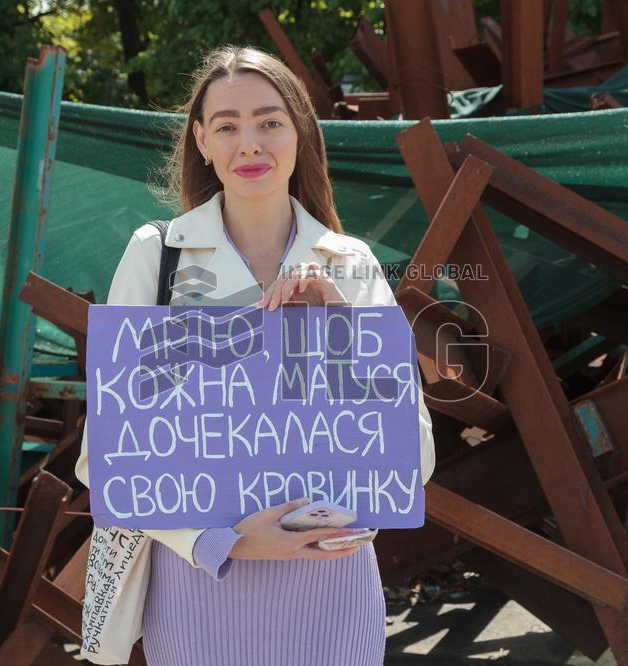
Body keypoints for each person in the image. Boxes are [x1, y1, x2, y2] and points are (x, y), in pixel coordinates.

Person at [77, 45, 435, 666]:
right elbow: (106, 461)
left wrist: (340, 331)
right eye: (228, 126)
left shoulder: (351, 266)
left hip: (333, 599)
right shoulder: (156, 257)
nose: (250, 144)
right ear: (202, 141)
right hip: (199, 598)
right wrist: (225, 543)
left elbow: (415, 458)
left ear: (300, 135)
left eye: (270, 121)